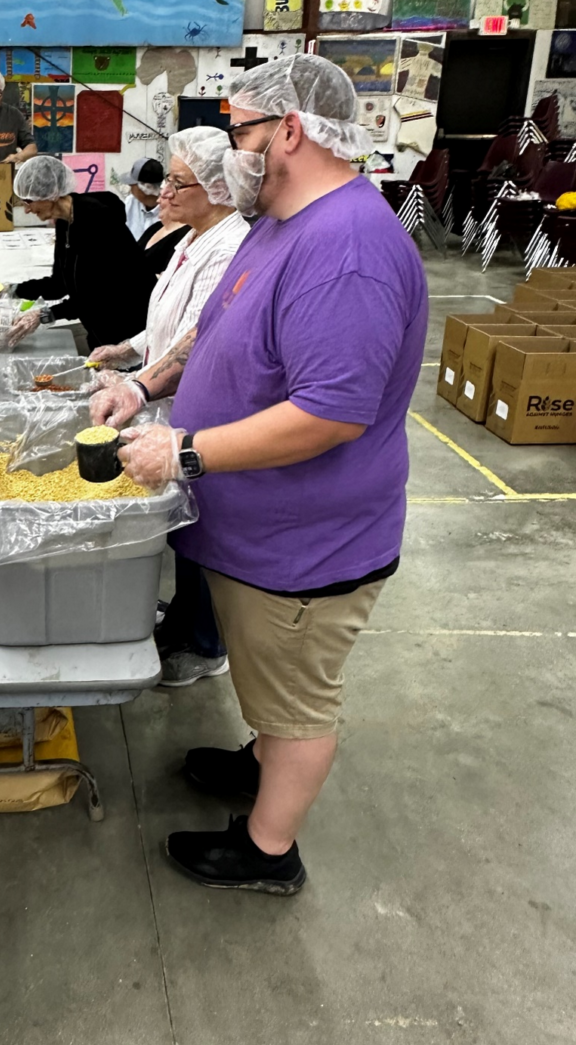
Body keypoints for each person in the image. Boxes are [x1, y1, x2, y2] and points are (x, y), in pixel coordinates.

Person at [105, 55, 426, 896]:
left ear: (290, 129)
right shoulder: (280, 222)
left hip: (307, 546)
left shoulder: (347, 249)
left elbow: (331, 413)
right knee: (268, 685)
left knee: (297, 699)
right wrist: (144, 385)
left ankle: (269, 850)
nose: (229, 152)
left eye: (240, 130)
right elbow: (211, 334)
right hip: (258, 531)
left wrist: (184, 451)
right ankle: (262, 759)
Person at [90, 129, 249, 687]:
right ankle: (183, 618)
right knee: (178, 523)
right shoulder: (190, 236)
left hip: (196, 405)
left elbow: (198, 336)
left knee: (200, 525)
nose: (162, 194)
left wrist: (136, 385)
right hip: (167, 396)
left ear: (220, 191)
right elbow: (168, 320)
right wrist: (130, 348)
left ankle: (207, 644)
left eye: (178, 184)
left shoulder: (229, 247)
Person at [7, 155, 156, 351]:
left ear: (50, 194)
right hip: (100, 331)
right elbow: (59, 284)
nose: (27, 210)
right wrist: (12, 290)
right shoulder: (64, 221)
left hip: (131, 330)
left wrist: (46, 315)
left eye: (28, 201)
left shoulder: (98, 220)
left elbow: (98, 295)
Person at [123, 157, 163, 241]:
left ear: (145, 188)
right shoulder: (130, 202)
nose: (130, 187)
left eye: (132, 184)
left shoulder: (170, 210)